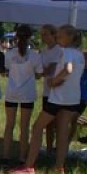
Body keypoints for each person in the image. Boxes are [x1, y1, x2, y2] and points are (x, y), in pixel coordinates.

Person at [8, 24, 84, 174]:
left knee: (37, 127)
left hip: (58, 98)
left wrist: (54, 80)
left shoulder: (67, 51)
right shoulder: (79, 54)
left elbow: (67, 69)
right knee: (62, 133)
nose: (57, 38)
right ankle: (59, 168)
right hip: (72, 98)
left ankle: (29, 166)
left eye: (60, 36)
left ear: (70, 38)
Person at [1, 25, 43, 166]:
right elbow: (38, 75)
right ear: (30, 37)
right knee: (24, 126)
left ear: (16, 37)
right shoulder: (35, 55)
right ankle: (22, 156)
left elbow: (7, 70)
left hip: (12, 92)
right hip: (27, 93)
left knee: (9, 125)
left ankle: (5, 155)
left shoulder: (9, 54)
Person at [38, 24, 63, 154]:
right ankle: (48, 149)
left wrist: (43, 71)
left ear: (54, 35)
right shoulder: (43, 51)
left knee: (59, 123)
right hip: (47, 91)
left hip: (58, 92)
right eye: (42, 34)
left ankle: (58, 149)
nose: (43, 37)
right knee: (48, 124)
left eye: (46, 34)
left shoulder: (59, 50)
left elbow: (51, 68)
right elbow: (40, 68)